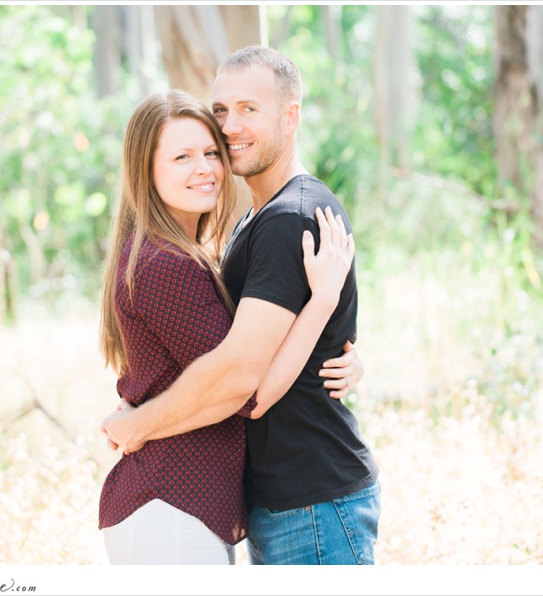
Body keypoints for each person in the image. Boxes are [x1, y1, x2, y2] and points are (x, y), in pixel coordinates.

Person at [101, 46, 380, 565]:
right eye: (222, 111)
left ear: (290, 115)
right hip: (277, 499)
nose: (230, 127)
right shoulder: (252, 222)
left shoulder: (285, 220)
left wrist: (141, 423)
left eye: (250, 108)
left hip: (310, 497)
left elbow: (244, 384)